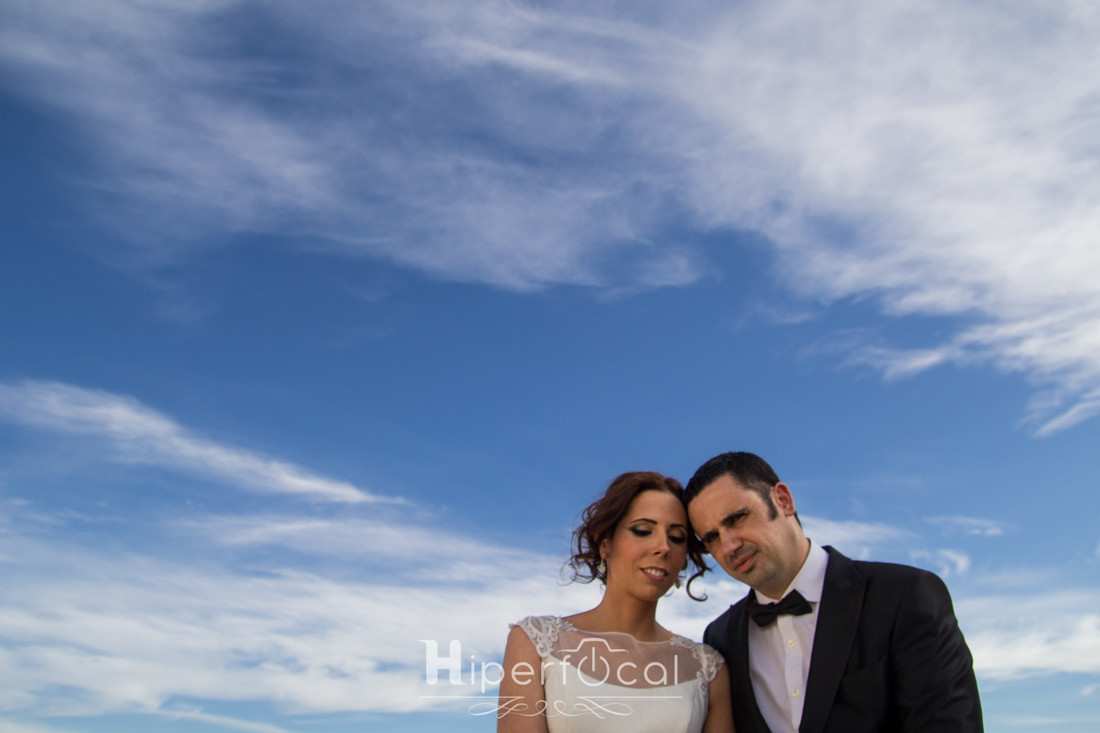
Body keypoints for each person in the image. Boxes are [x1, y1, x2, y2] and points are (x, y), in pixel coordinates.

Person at [685, 452, 982, 733]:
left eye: (736, 518)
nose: (728, 546)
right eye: (711, 538)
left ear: (783, 500)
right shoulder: (720, 638)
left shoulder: (905, 595)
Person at [498, 471, 734, 732]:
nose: (663, 547)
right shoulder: (535, 643)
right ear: (605, 543)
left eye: (677, 537)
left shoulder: (709, 669)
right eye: (643, 530)